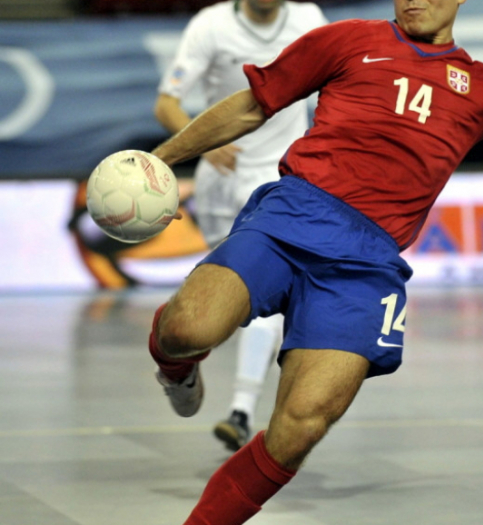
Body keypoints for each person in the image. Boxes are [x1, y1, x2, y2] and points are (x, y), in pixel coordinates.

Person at [144, 0, 483, 523]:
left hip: (367, 263)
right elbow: (253, 106)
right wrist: (161, 159)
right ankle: (176, 365)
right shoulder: (346, 40)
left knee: (301, 427)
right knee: (186, 328)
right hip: (292, 215)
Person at [153, 0, 328, 452]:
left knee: (263, 300)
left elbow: (336, 88)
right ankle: (182, 365)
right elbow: (167, 104)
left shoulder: (309, 19)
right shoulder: (210, 26)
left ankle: (240, 411)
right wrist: (204, 144)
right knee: (217, 298)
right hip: (223, 184)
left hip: (282, 182)